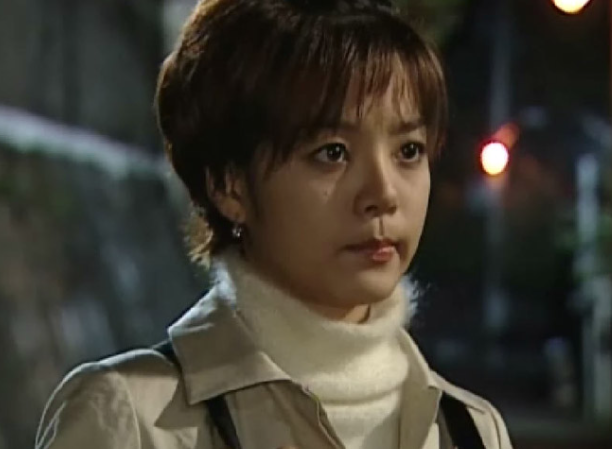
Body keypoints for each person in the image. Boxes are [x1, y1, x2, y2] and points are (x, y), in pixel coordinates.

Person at [35, 0, 514, 448]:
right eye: (332, 153)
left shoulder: (470, 429)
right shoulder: (130, 418)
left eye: (408, 150)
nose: (383, 194)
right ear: (230, 185)